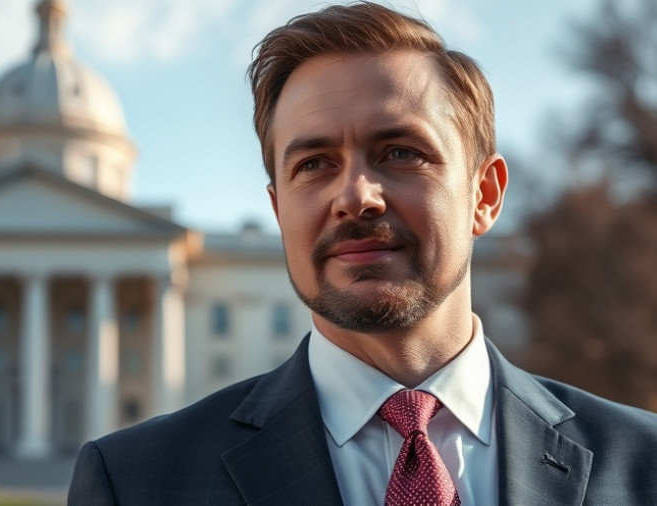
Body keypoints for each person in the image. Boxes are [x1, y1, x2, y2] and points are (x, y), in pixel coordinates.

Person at [68, 3, 657, 504]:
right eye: (314, 164)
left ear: (484, 194)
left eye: (400, 152)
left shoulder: (642, 464)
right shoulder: (135, 483)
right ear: (279, 212)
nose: (355, 197)